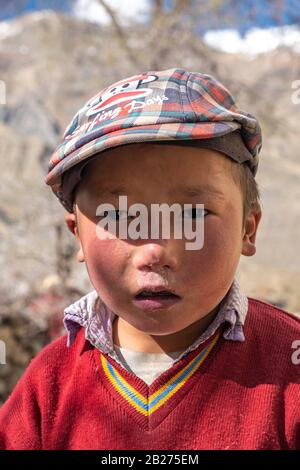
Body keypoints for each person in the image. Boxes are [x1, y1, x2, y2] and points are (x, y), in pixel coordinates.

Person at [0, 68, 299, 450]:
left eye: (192, 214)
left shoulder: (289, 366)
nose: (156, 251)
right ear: (77, 234)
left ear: (247, 229)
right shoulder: (50, 384)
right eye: (121, 216)